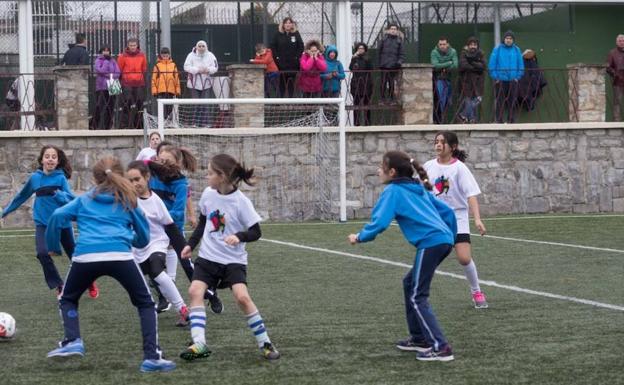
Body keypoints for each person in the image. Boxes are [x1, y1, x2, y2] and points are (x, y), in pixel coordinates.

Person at [44, 156, 176, 373]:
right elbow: (143, 239)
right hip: (120, 256)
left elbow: (57, 216)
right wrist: (127, 239)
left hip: (85, 256)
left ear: (95, 179)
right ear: (120, 176)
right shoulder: (129, 200)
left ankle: (73, 339)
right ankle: (152, 356)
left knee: (68, 299)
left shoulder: (84, 199)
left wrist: (53, 247)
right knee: (145, 304)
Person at [347, 150, 457, 362]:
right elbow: (448, 213)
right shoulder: (417, 188)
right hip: (442, 240)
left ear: (393, 172)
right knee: (410, 284)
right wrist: (450, 238)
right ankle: (419, 338)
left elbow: (379, 223)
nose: (379, 171)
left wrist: (359, 237)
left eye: (382, 167)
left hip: (431, 242)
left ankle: (441, 347)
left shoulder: (393, 191)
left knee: (418, 295)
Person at [179, 153, 280, 361]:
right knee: (195, 290)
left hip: (233, 261)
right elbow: (203, 224)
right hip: (208, 257)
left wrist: (238, 236)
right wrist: (190, 245)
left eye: (210, 173)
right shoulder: (208, 194)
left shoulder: (241, 202)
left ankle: (265, 342)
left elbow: (256, 232)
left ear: (222, 176)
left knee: (242, 297)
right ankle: (199, 343)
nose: (206, 177)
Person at [1, 145, 98, 300]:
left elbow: (70, 199)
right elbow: (21, 197)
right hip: (42, 224)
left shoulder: (60, 178)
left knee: (76, 256)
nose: (50, 159)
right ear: (42, 160)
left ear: (57, 161)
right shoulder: (35, 178)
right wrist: (4, 212)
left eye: (54, 157)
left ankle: (89, 282)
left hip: (62, 223)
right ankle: (59, 285)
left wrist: (60, 196)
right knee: (42, 253)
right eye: (47, 156)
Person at [149, 144, 223, 314]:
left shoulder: (181, 184)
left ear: (176, 164)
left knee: (188, 268)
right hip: (155, 229)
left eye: (166, 161)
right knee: (150, 265)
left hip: (172, 228)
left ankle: (210, 295)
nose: (162, 163)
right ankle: (163, 298)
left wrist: (156, 213)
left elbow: (175, 212)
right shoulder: (152, 175)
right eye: (160, 159)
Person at [423, 131, 488, 309]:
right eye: (436, 141)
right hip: (436, 219)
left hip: (457, 217)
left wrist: (477, 219)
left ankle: (476, 291)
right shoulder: (428, 166)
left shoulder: (459, 168)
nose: (437, 145)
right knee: (429, 257)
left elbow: (471, 195)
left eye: (442, 142)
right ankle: (420, 293)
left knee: (464, 258)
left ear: (453, 147)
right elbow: (420, 189)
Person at [127, 160, 190, 327]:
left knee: (156, 270)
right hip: (137, 247)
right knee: (135, 281)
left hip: (157, 243)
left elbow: (170, 226)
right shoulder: (127, 201)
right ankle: (149, 307)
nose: (134, 184)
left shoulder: (156, 201)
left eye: (137, 179)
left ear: (147, 177)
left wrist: (183, 248)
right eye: (130, 180)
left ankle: (182, 308)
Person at [488, 30, 524, 123]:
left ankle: (511, 120)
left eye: (510, 38)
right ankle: (499, 121)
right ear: (504, 39)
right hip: (500, 80)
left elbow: (521, 65)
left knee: (512, 101)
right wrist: (496, 77)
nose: (508, 40)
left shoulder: (517, 49)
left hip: (513, 80)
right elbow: (492, 64)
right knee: (500, 101)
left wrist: (517, 77)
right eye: (507, 38)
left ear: (513, 40)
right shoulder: (497, 49)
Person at [184, 40, 219, 128]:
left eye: (203, 46)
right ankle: (194, 123)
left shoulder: (211, 55)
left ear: (206, 47)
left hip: (206, 83)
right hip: (193, 84)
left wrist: (207, 69)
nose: (201, 48)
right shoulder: (191, 55)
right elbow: (186, 66)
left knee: (205, 103)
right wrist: (197, 70)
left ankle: (205, 123)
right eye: (199, 46)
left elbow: (215, 67)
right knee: (195, 103)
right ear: (196, 47)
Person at [117, 38, 148, 129]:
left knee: (139, 103)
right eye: (131, 45)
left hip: (139, 82)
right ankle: (127, 124)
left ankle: (138, 124)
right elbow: (120, 69)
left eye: (134, 45)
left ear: (137, 45)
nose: (133, 47)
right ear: (128, 46)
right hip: (127, 83)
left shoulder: (142, 55)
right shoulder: (122, 56)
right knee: (128, 103)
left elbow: (144, 68)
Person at [271, 17, 304, 97]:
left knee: (291, 84)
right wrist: (277, 58)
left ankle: (290, 101)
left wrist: (296, 58)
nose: (288, 24)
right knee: (281, 84)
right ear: (283, 24)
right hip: (281, 64)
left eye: (289, 23)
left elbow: (301, 46)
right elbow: (273, 46)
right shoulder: (278, 34)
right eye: (286, 23)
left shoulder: (296, 34)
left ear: (292, 24)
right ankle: (281, 101)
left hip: (293, 65)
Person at [457, 37, 486, 123]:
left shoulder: (481, 54)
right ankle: (472, 119)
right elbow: (463, 65)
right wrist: (476, 66)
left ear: (477, 46)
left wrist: (471, 62)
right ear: (468, 45)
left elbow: (483, 66)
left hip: (478, 82)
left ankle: (463, 115)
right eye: (471, 44)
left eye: (475, 45)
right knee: (468, 100)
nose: (473, 46)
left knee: (478, 99)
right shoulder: (464, 53)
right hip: (466, 82)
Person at [431, 37, 458, 124]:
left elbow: (455, 65)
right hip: (438, 79)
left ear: (447, 44)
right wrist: (448, 63)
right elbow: (435, 65)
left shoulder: (453, 52)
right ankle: (438, 120)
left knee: (448, 101)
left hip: (449, 79)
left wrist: (442, 66)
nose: (442, 46)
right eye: (440, 44)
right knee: (440, 101)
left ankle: (444, 120)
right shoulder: (434, 52)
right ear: (438, 45)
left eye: (444, 44)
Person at [93, 45, 121, 130]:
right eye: (104, 51)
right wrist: (106, 62)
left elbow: (118, 73)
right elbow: (100, 70)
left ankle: (109, 126)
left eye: (107, 51)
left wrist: (108, 75)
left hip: (113, 85)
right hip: (102, 86)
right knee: (102, 107)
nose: (106, 52)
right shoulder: (98, 60)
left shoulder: (113, 61)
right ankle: (100, 126)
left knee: (111, 107)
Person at [151, 47, 181, 120]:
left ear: (169, 55)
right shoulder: (157, 65)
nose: (165, 57)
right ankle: (162, 122)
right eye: (163, 56)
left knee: (170, 108)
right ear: (161, 55)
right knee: (162, 109)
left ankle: (168, 122)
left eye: (166, 56)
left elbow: (176, 78)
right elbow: (153, 79)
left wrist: (177, 90)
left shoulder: (173, 65)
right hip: (161, 90)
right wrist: (154, 90)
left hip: (171, 90)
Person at [378, 23, 404, 103]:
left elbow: (402, 54)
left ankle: (392, 99)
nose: (393, 30)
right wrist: (380, 63)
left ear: (397, 31)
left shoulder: (399, 41)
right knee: (383, 82)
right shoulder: (383, 40)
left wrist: (399, 62)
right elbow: (379, 52)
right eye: (392, 29)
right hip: (384, 65)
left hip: (394, 66)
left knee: (392, 83)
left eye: (395, 29)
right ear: (388, 30)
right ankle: (382, 99)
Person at [349, 42, 373, 126]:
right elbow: (351, 68)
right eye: (359, 48)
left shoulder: (368, 58)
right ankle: (356, 123)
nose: (360, 50)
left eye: (362, 48)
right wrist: (353, 58)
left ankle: (368, 122)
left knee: (367, 104)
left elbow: (371, 68)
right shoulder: (354, 58)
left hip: (366, 83)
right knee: (356, 105)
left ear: (365, 49)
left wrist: (366, 60)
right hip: (356, 84)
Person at [607, 34, 624, 121]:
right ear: (616, 42)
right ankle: (616, 121)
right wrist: (615, 74)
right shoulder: (612, 53)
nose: (622, 42)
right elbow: (608, 67)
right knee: (617, 102)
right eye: (620, 41)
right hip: (618, 81)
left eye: (623, 41)